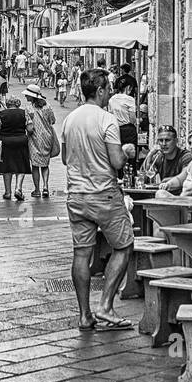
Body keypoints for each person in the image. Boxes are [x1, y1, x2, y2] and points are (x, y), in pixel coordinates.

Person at [61, 68, 134, 331]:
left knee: (81, 254)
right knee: (124, 246)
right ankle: (105, 305)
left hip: (76, 195)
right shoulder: (107, 119)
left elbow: (64, 159)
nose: (110, 93)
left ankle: (84, 315)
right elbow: (116, 161)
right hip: (104, 193)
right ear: (100, 90)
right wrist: (126, 151)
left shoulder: (70, 119)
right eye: (109, 89)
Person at [0, 94, 32, 201]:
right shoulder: (24, 113)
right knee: (21, 165)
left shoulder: (2, 114)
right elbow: (30, 128)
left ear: (8, 104)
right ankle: (18, 188)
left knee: (6, 167)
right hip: (21, 141)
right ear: (18, 104)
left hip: (6, 142)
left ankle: (7, 192)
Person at [24, 84, 56, 198]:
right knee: (45, 164)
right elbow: (53, 120)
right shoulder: (47, 106)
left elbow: (29, 128)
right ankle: (45, 187)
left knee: (35, 165)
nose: (26, 97)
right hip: (47, 137)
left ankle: (37, 190)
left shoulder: (29, 109)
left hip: (34, 139)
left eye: (28, 95)